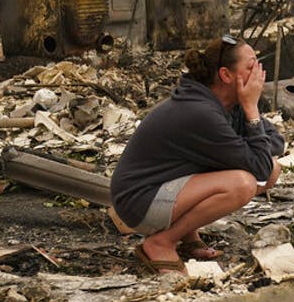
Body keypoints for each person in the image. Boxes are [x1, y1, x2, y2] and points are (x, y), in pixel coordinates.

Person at [110, 35, 284, 274]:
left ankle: (188, 235)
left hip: (167, 188)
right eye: (251, 66)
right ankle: (161, 242)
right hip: (139, 200)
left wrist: (248, 132)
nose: (258, 74)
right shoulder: (200, 112)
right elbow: (259, 169)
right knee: (242, 183)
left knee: (272, 168)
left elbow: (276, 142)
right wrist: (252, 112)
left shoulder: (229, 104)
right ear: (226, 75)